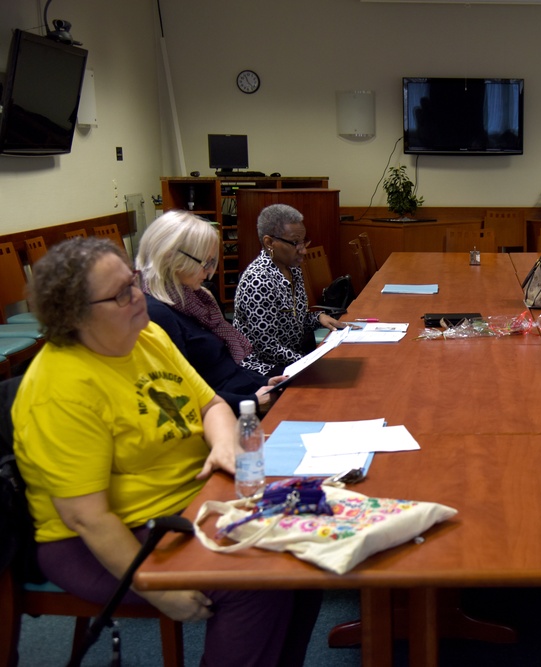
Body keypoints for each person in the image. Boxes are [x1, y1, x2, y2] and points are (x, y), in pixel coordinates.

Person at [12, 237, 318, 666]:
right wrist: (155, 584)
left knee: (305, 554)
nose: (139, 296)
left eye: (133, 282)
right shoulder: (60, 389)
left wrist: (226, 446)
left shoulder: (146, 334)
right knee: (255, 581)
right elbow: (87, 517)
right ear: (75, 316)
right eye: (121, 294)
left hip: (190, 503)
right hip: (104, 538)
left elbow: (210, 404)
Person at [137, 210, 285, 414]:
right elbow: (183, 391)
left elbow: (224, 366)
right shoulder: (157, 313)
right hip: (229, 411)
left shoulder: (193, 297)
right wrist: (251, 402)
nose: (209, 272)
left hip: (245, 394)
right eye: (205, 263)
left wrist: (265, 381)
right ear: (171, 257)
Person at [233, 203, 343, 376]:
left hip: (292, 359)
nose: (304, 250)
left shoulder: (292, 269)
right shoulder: (258, 280)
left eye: (304, 241)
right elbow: (267, 349)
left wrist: (318, 317)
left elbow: (293, 322)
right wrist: (310, 362)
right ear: (269, 242)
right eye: (295, 243)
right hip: (263, 370)